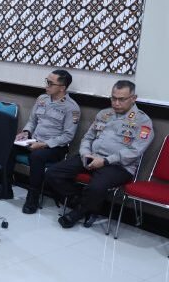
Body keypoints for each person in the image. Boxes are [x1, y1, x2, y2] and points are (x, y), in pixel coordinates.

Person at [45, 80, 153, 229]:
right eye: (113, 98)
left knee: (96, 187)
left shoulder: (143, 121)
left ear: (133, 98)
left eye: (121, 99)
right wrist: (85, 154)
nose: (116, 103)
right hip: (91, 157)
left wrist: (105, 161)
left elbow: (135, 151)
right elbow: (88, 138)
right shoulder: (104, 114)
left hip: (119, 166)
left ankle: (77, 213)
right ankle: (82, 202)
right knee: (53, 173)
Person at [14, 70, 80, 214]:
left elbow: (68, 136)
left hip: (54, 148)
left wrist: (43, 144)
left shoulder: (71, 108)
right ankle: (4, 186)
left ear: (62, 88)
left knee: (37, 156)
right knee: (8, 145)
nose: (46, 85)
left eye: (51, 83)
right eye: (47, 81)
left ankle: (32, 198)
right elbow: (32, 121)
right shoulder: (42, 99)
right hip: (34, 140)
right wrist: (26, 132)